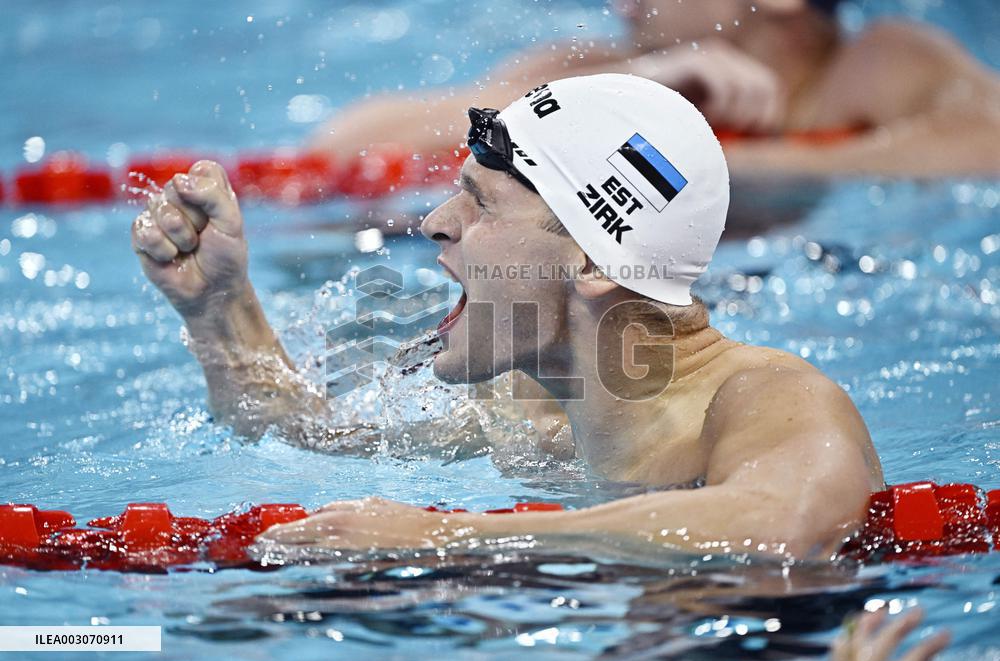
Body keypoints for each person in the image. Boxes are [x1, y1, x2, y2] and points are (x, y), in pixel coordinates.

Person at [132, 73, 885, 559]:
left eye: (482, 203)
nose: (434, 222)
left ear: (592, 263)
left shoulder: (768, 398)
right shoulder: (533, 416)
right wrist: (219, 310)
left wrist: (445, 536)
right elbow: (298, 432)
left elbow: (784, 522)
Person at [310, 0, 1000, 177]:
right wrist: (621, 96)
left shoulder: (873, 63)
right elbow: (342, 148)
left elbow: (987, 145)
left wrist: (714, 167)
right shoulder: (600, 68)